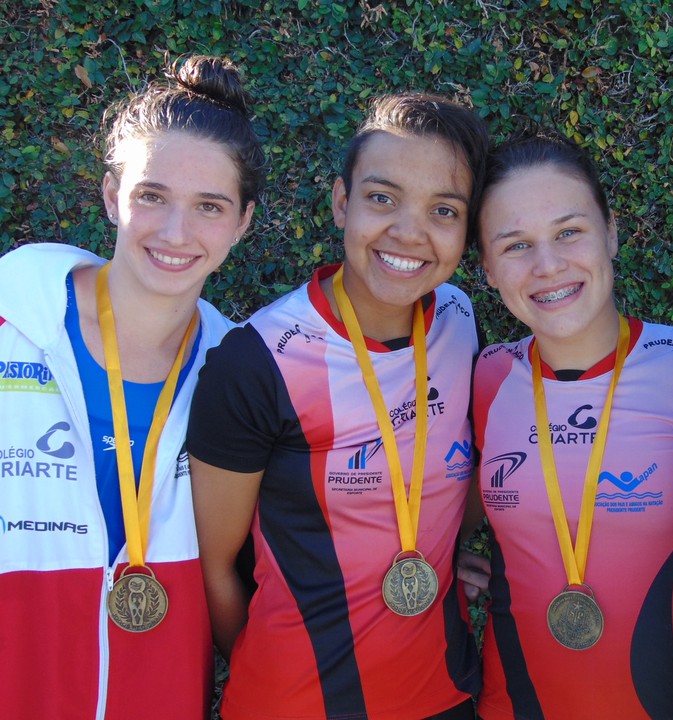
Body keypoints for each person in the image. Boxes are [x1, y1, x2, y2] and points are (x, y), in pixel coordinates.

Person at [188, 92, 489, 720]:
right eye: (382, 198)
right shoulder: (258, 359)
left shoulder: (460, 320)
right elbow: (213, 566)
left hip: (446, 690)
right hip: (296, 699)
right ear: (340, 202)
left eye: (443, 210)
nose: (409, 231)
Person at [0, 54, 262, 719]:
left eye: (209, 206)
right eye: (152, 196)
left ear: (243, 223)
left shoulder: (240, 375)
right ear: (113, 195)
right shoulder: (11, 316)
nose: (175, 233)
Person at [469, 130, 673, 719]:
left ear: (612, 234)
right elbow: (436, 500)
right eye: (516, 245)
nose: (548, 265)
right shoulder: (484, 377)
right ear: (487, 270)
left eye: (569, 232)